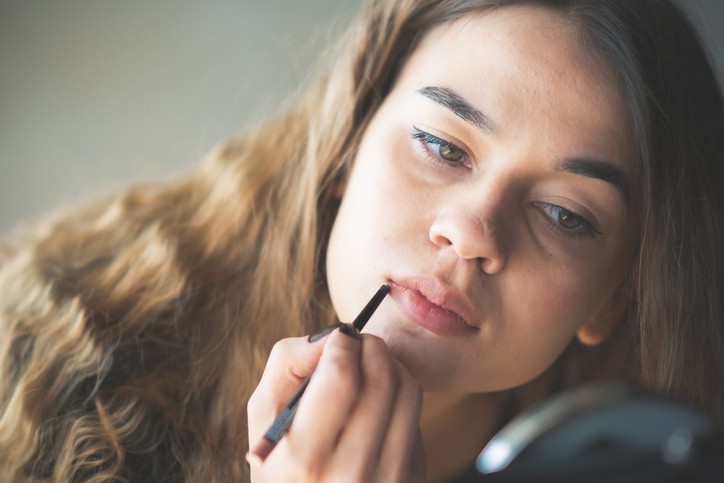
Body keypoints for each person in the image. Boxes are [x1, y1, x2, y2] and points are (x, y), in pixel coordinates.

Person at [0, 0, 722, 481]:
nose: (471, 232)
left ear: (614, 297)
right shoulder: (53, 363)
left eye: (566, 214)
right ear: (346, 142)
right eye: (442, 144)